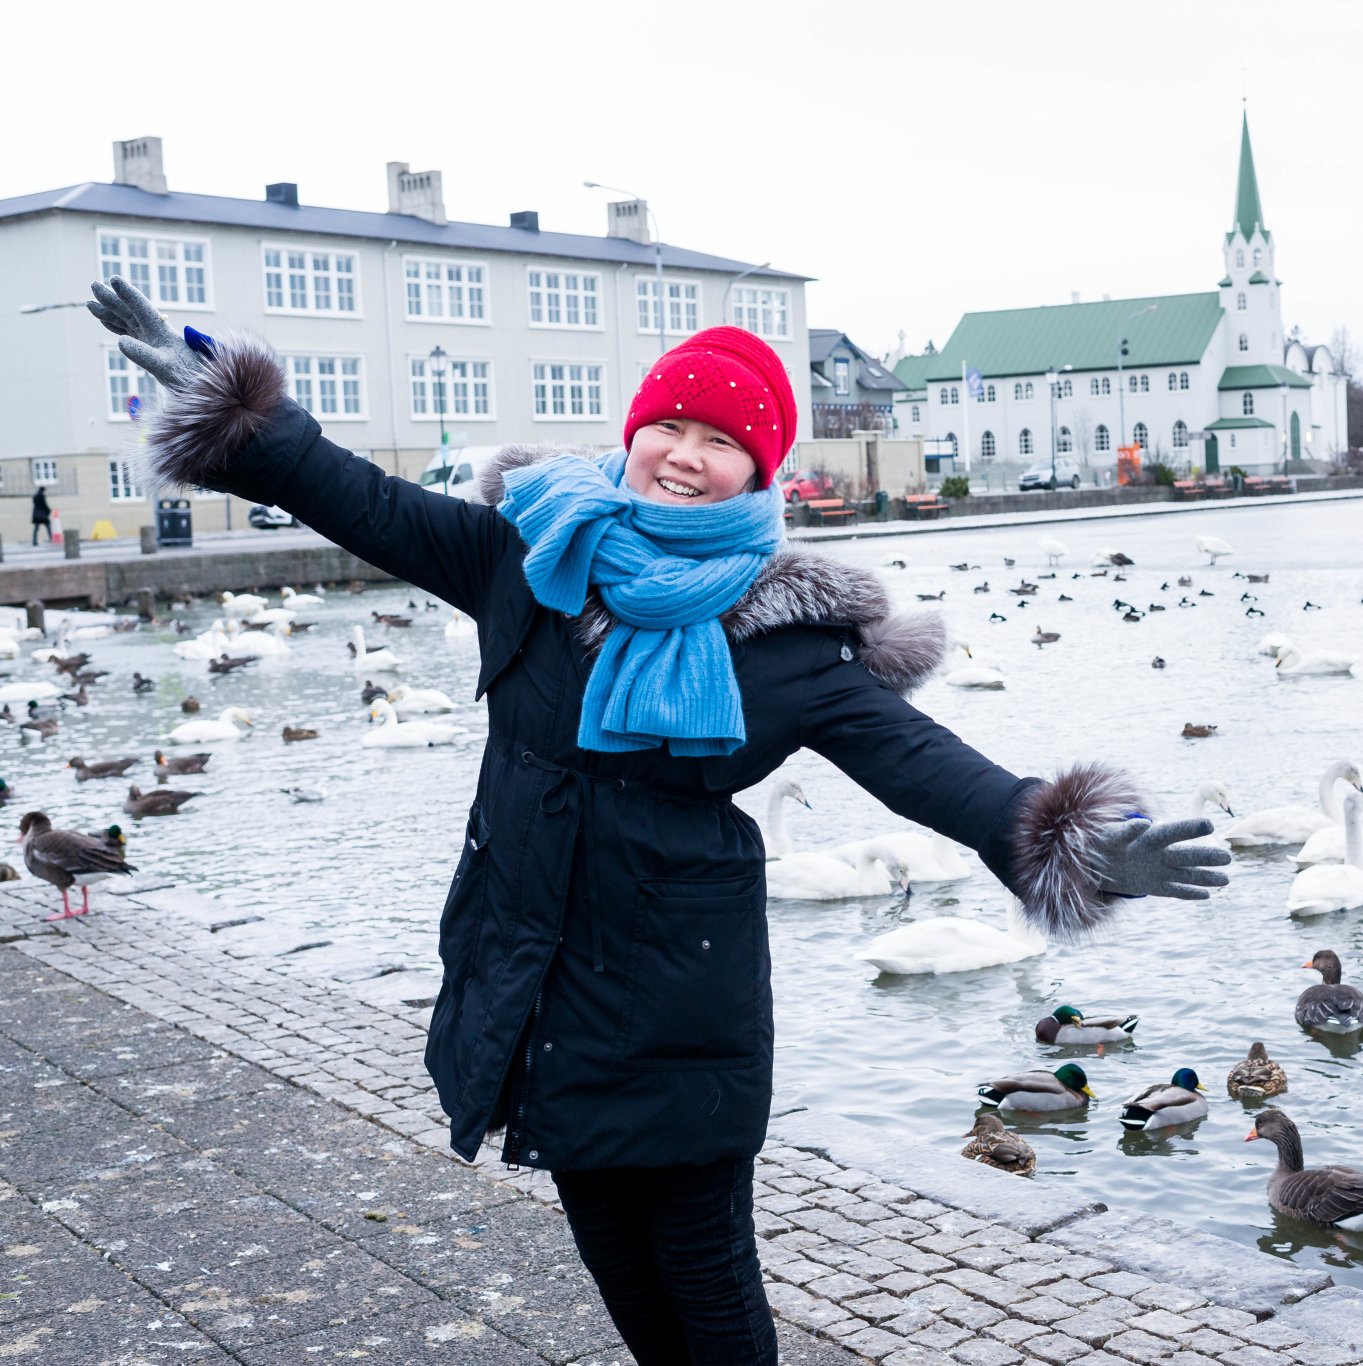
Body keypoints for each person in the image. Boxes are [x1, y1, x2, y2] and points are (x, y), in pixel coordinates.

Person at [86, 276, 1228, 1366]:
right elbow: (354, 494)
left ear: (756, 471)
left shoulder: (787, 645)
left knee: (706, 1280)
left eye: (719, 440)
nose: (685, 455)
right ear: (633, 431)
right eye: (669, 426)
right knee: (616, 1267)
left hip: (681, 1005)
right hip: (535, 978)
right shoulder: (527, 554)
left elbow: (931, 771)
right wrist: (232, 408)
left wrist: (1073, 839)